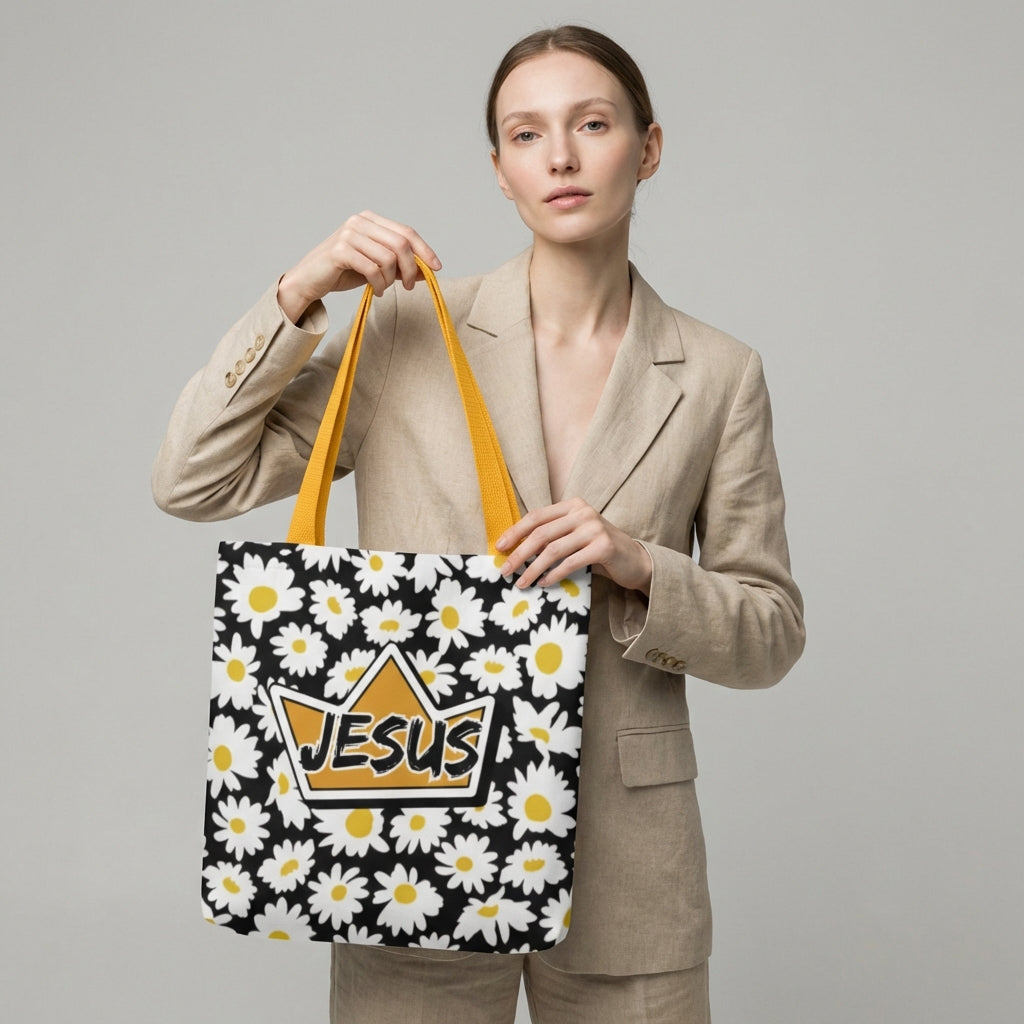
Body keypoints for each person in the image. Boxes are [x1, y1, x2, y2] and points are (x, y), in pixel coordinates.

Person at [153, 25, 804, 1024]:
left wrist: (638, 563)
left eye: (591, 123)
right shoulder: (410, 327)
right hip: (415, 836)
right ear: (498, 170)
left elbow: (769, 631)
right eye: (524, 133)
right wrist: (296, 296)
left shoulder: (719, 374)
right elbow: (191, 477)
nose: (560, 156)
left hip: (629, 875)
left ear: (648, 146)